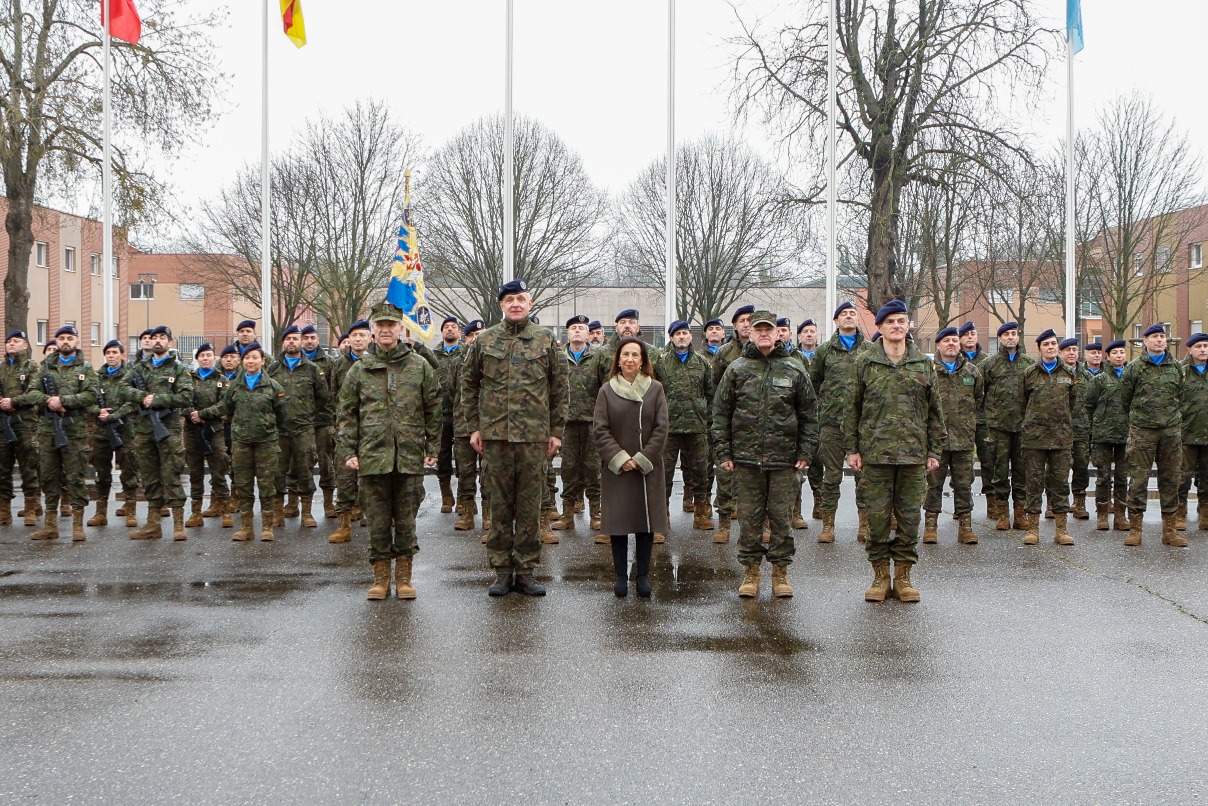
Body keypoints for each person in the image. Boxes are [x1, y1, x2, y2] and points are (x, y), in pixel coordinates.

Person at [461, 279, 568, 597]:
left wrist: (556, 431)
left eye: (521, 298)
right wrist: (474, 427)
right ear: (502, 305)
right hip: (496, 437)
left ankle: (525, 571)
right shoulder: (485, 340)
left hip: (534, 438)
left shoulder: (546, 340)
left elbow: (559, 388)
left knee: (530, 505)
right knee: (499, 504)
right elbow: (468, 384)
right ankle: (501, 572)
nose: (516, 304)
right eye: (510, 300)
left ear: (530, 303)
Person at [337, 302, 442, 600]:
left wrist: (432, 446)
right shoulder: (360, 369)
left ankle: (404, 578)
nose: (385, 330)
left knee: (406, 519)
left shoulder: (419, 366)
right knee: (377, 519)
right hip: (372, 456)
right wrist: (349, 450)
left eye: (391, 325)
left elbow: (434, 408)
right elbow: (346, 413)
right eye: (380, 325)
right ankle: (381, 578)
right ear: (372, 331)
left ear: (400, 330)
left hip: (409, 456)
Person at [844, 300, 945, 604]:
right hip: (875, 456)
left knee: (910, 518)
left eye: (901, 321)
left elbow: (935, 412)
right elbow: (851, 408)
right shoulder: (865, 362)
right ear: (880, 327)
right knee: (877, 519)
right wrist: (852, 449)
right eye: (890, 322)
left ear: (907, 326)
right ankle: (879, 577)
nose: (897, 326)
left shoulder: (923, 363)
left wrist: (934, 450)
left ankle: (903, 577)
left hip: (913, 456)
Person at [714, 310, 818, 599]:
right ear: (749, 332)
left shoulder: (794, 368)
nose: (763, 333)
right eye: (758, 329)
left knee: (781, 519)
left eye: (768, 329)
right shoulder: (736, 369)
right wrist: (723, 451)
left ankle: (780, 573)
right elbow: (721, 413)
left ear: (776, 333)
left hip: (784, 460)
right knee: (749, 519)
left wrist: (806, 451)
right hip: (746, 460)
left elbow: (809, 414)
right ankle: (751, 572)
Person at [594, 338, 669, 597]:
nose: (629, 359)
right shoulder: (607, 390)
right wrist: (620, 458)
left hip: (647, 467)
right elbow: (600, 430)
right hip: (618, 468)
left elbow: (661, 427)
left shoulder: (655, 388)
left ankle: (643, 576)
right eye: (625, 354)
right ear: (618, 360)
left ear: (642, 361)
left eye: (635, 355)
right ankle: (620, 576)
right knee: (619, 523)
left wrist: (643, 458)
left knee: (645, 524)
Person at [193, 342, 285, 541]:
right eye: (247, 358)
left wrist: (270, 431)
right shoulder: (234, 385)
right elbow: (224, 408)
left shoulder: (273, 386)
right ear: (242, 361)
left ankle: (267, 527)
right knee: (243, 485)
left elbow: (282, 414)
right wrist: (202, 413)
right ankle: (246, 527)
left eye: (255, 357)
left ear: (263, 360)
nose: (251, 361)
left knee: (267, 484)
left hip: (266, 443)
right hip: (241, 443)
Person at [17, 325, 99, 541]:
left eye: (70, 338)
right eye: (61, 338)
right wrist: (49, 401)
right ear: (56, 341)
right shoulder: (45, 367)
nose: (65, 341)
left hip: (74, 431)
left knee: (76, 477)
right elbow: (31, 393)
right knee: (48, 476)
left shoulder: (85, 368)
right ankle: (50, 525)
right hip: (47, 430)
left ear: (77, 342)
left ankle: (78, 526)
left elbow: (91, 395)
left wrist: (64, 401)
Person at [115, 325, 193, 541]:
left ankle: (178, 525)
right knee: (149, 477)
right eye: (154, 337)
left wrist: (157, 399)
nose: (158, 341)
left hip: (168, 431)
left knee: (172, 475)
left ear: (170, 342)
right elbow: (121, 388)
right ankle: (153, 524)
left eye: (162, 337)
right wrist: (142, 397)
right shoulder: (140, 368)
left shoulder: (179, 369)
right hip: (144, 430)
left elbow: (187, 397)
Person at [1119, 325, 1186, 547]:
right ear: (1145, 341)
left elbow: (1181, 396)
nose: (1159, 340)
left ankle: (1170, 531)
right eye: (1154, 337)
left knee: (1171, 479)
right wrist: (1140, 419)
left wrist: (1170, 418)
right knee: (1138, 479)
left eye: (1162, 336)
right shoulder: (1135, 367)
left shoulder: (1176, 367)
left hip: (1170, 431)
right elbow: (1125, 398)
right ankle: (1135, 530)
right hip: (1143, 431)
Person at [811, 300, 870, 543]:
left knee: (863, 477)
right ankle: (828, 526)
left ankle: (865, 525)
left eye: (852, 313)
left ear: (857, 319)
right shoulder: (824, 350)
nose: (848, 316)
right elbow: (814, 383)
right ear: (836, 321)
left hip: (861, 424)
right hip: (832, 423)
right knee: (831, 476)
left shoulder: (870, 349)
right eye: (843, 313)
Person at [654, 320, 715, 537]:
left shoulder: (702, 363)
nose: (682, 337)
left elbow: (710, 393)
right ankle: (661, 518)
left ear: (691, 337)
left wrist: (706, 417)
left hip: (696, 427)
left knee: (700, 472)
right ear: (671, 338)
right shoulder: (661, 362)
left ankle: (700, 514)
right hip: (668, 428)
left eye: (685, 333)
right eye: (677, 334)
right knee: (664, 474)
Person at [923, 327, 983, 545]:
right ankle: (930, 527)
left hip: (963, 439)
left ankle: (965, 527)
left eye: (954, 341)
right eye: (946, 340)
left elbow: (978, 399)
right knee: (933, 484)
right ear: (938, 345)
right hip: (936, 441)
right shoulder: (928, 371)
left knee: (964, 484)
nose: (951, 344)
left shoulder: (972, 372)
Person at [267, 325, 330, 528]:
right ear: (283, 343)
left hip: (304, 429)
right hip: (280, 430)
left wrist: (307, 414)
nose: (292, 342)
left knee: (305, 469)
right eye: (288, 339)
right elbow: (266, 397)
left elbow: (323, 397)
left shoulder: (312, 369)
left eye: (295, 338)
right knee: (278, 471)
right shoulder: (273, 370)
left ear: (301, 342)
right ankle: (278, 512)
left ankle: (307, 513)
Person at [1020, 330, 1077, 546]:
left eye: (1053, 343)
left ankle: (1061, 530)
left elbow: (1073, 401)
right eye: (1046, 344)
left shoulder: (1069, 373)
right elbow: (1022, 401)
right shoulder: (1029, 373)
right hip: (1034, 439)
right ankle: (1032, 529)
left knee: (1060, 483)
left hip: (1061, 438)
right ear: (1040, 349)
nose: (1051, 347)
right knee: (1033, 483)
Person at [550, 315, 602, 538]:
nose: (577, 331)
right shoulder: (558, 357)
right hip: (567, 422)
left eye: (581, 328)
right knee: (568, 469)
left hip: (593, 421)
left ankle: (597, 514)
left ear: (589, 333)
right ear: (567, 333)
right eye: (573, 328)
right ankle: (567, 514)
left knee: (594, 468)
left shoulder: (598, 357)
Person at [979, 321, 1034, 530]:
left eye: (1013, 333)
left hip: (1022, 427)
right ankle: (1002, 514)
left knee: (1022, 473)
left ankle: (1020, 514)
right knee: (999, 472)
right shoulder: (989, 364)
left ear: (1018, 337)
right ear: (1000, 338)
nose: (1010, 337)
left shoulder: (1029, 364)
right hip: (998, 428)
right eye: (1006, 334)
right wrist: (987, 417)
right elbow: (978, 393)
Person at [711, 304, 755, 536]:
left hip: (759, 425)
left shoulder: (766, 350)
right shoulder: (724, 353)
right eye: (742, 320)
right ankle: (724, 523)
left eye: (750, 320)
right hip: (732, 423)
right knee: (725, 473)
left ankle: (760, 525)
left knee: (757, 477)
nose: (747, 324)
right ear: (735, 326)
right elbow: (716, 389)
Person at [328, 318, 372, 543]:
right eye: (354, 335)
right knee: (344, 476)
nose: (358, 339)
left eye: (362, 335)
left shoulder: (375, 363)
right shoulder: (339, 364)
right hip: (346, 428)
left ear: (370, 339)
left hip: (371, 428)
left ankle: (373, 519)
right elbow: (333, 394)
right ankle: (344, 525)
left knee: (371, 477)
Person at [87, 340, 138, 528]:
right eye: (108, 352)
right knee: (102, 473)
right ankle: (101, 512)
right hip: (102, 431)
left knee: (129, 471)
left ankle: (130, 510)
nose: (111, 356)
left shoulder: (131, 375)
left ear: (122, 354)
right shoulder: (96, 377)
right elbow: (87, 399)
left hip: (125, 430)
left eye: (114, 352)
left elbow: (135, 400)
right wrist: (97, 411)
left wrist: (115, 415)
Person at [185, 342, 232, 529]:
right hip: (192, 431)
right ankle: (196, 513)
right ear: (197, 359)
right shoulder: (188, 379)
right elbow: (181, 401)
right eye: (202, 355)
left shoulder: (221, 379)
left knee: (218, 470)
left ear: (214, 357)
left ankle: (225, 510)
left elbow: (224, 404)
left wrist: (203, 414)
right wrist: (192, 414)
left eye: (209, 355)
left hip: (214, 431)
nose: (206, 358)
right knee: (195, 472)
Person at [1086, 340, 1131, 532]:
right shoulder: (1099, 380)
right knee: (1103, 476)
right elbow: (1089, 405)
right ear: (1108, 357)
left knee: (1122, 477)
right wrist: (1098, 423)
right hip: (1103, 435)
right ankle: (1102, 514)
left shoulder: (1131, 378)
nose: (1119, 356)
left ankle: (1120, 516)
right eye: (1115, 353)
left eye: (1122, 352)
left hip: (1126, 435)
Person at [0, 330, 42, 527]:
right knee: (2, 468)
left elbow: (35, 393)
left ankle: (31, 508)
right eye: (8, 341)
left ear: (25, 345)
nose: (11, 344)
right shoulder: (1, 368)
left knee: (29, 467)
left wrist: (13, 402)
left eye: (16, 341)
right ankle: (4, 510)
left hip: (26, 424)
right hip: (3, 424)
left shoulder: (32, 366)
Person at [451, 319, 488, 531]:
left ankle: (489, 515)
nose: (475, 339)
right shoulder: (458, 361)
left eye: (480, 335)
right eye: (472, 335)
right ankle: (466, 512)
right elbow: (451, 391)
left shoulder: (492, 360)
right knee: (465, 472)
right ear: (465, 339)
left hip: (489, 424)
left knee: (489, 472)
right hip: (463, 424)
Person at [301, 324, 338, 518]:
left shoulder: (329, 362)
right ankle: (299, 506)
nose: (309, 341)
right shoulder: (296, 361)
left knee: (326, 463)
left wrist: (331, 413)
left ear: (318, 340)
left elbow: (334, 389)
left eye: (312, 338)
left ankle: (328, 503)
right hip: (301, 423)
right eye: (306, 338)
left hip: (323, 421)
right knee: (302, 464)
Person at [434, 315, 464, 514]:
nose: (450, 329)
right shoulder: (433, 355)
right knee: (442, 455)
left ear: (459, 332)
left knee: (463, 458)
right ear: (442, 332)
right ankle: (446, 495)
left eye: (454, 327)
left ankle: (463, 497)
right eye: (446, 327)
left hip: (462, 413)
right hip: (440, 413)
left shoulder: (466, 353)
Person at [1060, 337, 1093, 520]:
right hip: (1059, 429)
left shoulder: (1087, 377)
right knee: (1058, 468)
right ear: (1060, 353)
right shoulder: (1056, 374)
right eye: (1068, 350)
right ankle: (1055, 503)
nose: (1071, 353)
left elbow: (1094, 402)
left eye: (1074, 349)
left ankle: (1079, 503)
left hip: (1081, 429)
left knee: (1081, 466)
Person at [793, 318, 821, 526]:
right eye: (805, 332)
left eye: (812, 331)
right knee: (798, 465)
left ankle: (819, 503)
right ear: (799, 336)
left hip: (822, 415)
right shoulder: (794, 358)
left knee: (818, 462)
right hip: (799, 417)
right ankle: (796, 510)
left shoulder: (822, 356)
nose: (809, 334)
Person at [1180, 332, 1208, 531]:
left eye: (1206, 346)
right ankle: (1179, 512)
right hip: (1186, 434)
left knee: (1207, 477)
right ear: (1189, 350)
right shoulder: (1180, 373)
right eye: (1198, 346)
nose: (1203, 350)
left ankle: (1205, 511)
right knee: (1182, 477)